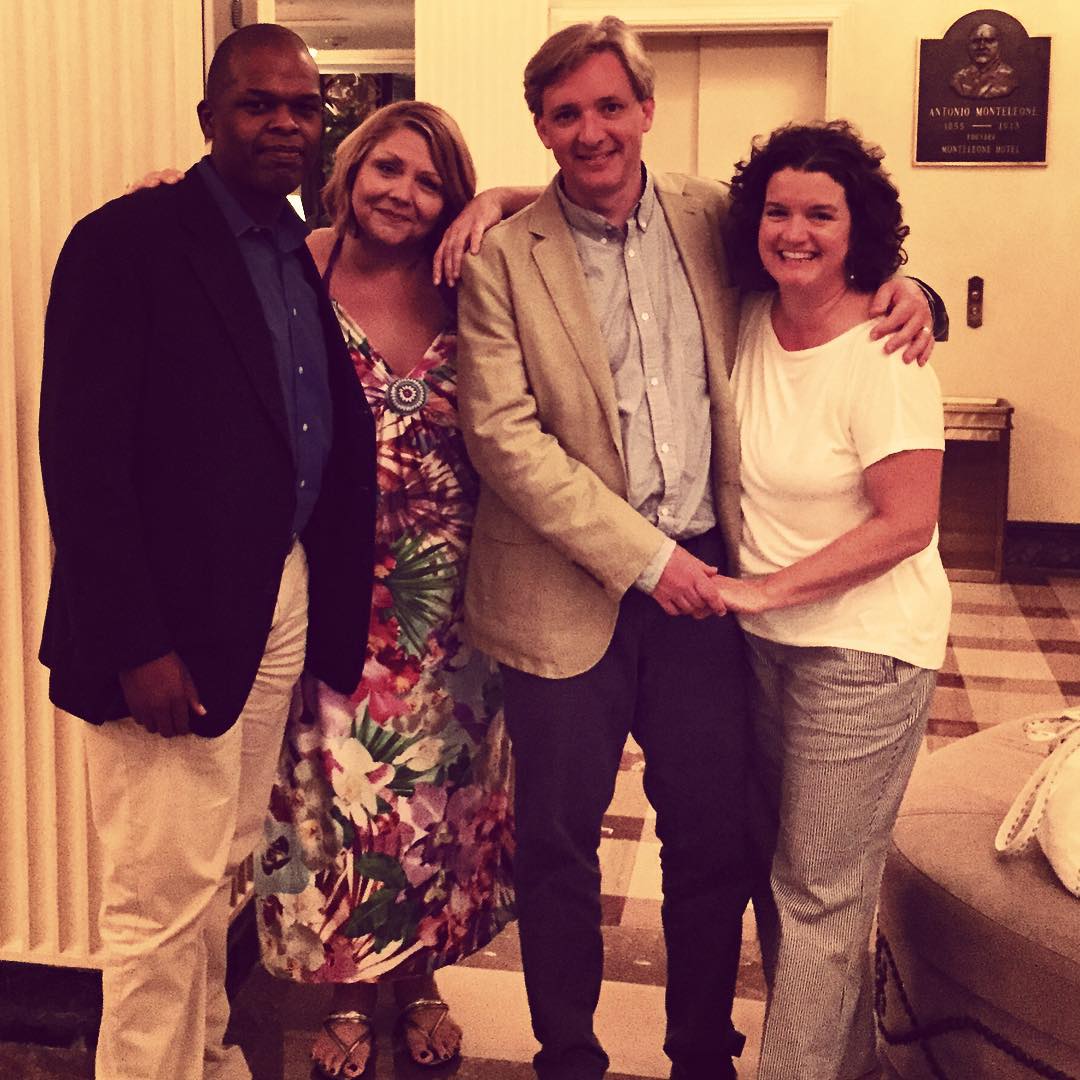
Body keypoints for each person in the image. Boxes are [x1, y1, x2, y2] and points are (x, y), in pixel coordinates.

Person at [455, 17, 937, 1080]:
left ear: (646, 108)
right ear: (540, 125)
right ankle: (568, 1054)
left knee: (712, 839)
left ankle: (703, 1052)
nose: (591, 131)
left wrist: (916, 291)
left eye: (609, 106)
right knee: (558, 848)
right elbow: (504, 440)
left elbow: (823, 248)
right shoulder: (502, 260)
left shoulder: (713, 216)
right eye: (566, 113)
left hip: (705, 594)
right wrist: (647, 560)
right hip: (564, 594)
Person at [37, 24, 376, 1080]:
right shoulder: (125, 241)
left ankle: (209, 1057)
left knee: (215, 869)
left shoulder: (294, 250)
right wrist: (136, 643)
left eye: (303, 107)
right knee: (155, 898)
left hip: (276, 600)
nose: (284, 123)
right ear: (208, 119)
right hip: (168, 632)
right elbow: (81, 459)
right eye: (257, 103)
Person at [253, 101, 517, 1079]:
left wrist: (499, 198)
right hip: (336, 591)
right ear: (352, 168)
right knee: (340, 804)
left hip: (456, 598)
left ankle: (422, 979)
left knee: (441, 803)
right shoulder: (298, 265)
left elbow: (597, 206)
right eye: (389, 169)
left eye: (432, 181)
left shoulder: (470, 276)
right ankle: (350, 993)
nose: (404, 193)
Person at [713, 120, 952, 1079]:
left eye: (821, 213)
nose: (795, 232)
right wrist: (494, 199)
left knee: (819, 895)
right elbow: (627, 203)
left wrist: (764, 587)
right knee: (790, 886)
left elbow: (908, 523)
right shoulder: (746, 318)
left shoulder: (885, 351)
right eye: (778, 211)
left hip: (863, 649)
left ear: (861, 230)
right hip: (767, 644)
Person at [950, 22, 1018, 99]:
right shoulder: (958, 79)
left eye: (989, 41)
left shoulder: (1010, 77)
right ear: (968, 46)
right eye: (976, 41)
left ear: (999, 45)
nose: (981, 47)